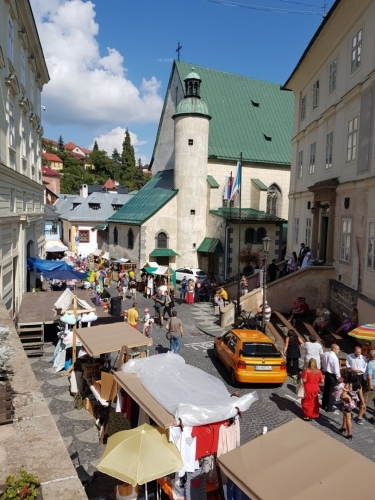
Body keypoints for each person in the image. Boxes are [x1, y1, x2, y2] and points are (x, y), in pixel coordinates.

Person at [339, 371, 365, 440]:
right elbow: (361, 395)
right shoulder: (359, 384)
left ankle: (349, 434)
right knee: (345, 414)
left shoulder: (348, 384)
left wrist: (348, 397)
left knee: (348, 418)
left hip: (347, 403)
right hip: (354, 402)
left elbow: (343, 395)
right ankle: (343, 427)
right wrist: (363, 404)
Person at [321, 343, 341, 412]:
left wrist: (324, 369)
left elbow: (323, 362)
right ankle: (329, 407)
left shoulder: (325, 354)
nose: (339, 350)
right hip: (332, 375)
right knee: (331, 392)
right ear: (333, 349)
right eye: (338, 349)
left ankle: (323, 404)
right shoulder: (335, 358)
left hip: (326, 373)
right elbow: (337, 371)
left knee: (326, 389)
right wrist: (339, 378)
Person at [364, 350, 375, 425]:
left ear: (371, 356)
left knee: (365, 401)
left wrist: (369, 385)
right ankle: (374, 418)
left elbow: (369, 376)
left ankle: (359, 417)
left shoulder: (371, 364)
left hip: (373, 385)